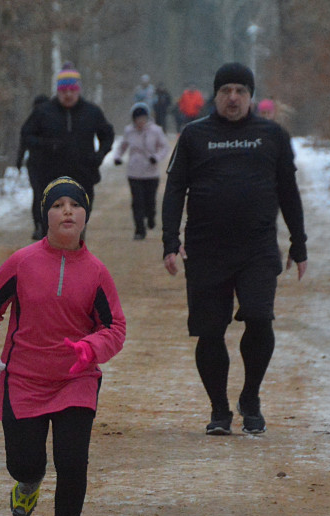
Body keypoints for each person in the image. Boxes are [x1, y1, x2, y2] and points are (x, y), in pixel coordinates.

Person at [0, 177, 126, 516]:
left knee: (73, 462)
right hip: (22, 379)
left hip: (76, 380)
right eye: (58, 205)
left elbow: (115, 328)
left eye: (75, 205)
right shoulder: (21, 263)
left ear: (86, 215)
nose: (67, 211)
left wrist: (91, 349)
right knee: (25, 463)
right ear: (46, 215)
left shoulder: (96, 272)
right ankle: (28, 482)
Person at [161, 62, 308, 436]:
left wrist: (299, 243)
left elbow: (288, 191)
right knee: (210, 332)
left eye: (241, 91)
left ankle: (251, 398)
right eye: (226, 90)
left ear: (251, 96)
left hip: (257, 248)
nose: (233, 97)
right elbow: (175, 188)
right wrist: (170, 241)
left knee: (259, 318)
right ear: (215, 94)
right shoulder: (195, 135)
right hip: (207, 249)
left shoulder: (272, 135)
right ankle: (219, 410)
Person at [19, 62, 115, 209]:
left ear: (79, 90)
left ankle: (78, 232)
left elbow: (108, 135)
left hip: (83, 175)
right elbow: (26, 135)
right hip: (50, 176)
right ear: (58, 91)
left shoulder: (92, 112)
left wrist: (99, 155)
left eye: (72, 90)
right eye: (64, 90)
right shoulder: (44, 112)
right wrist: (47, 145)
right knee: (53, 224)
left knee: (78, 222)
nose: (68, 94)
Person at [112, 102, 170, 240]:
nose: (140, 121)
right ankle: (139, 230)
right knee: (137, 202)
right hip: (134, 172)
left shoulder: (156, 130)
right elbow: (122, 146)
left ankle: (151, 216)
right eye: (138, 119)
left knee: (150, 202)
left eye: (143, 118)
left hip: (151, 172)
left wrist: (156, 157)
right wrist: (117, 157)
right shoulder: (128, 131)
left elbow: (164, 147)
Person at [17, 94, 53, 240]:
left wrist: (19, 160)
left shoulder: (37, 120)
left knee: (38, 195)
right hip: (39, 164)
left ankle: (40, 225)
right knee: (42, 195)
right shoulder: (46, 120)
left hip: (39, 164)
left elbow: (23, 143)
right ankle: (41, 225)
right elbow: (24, 141)